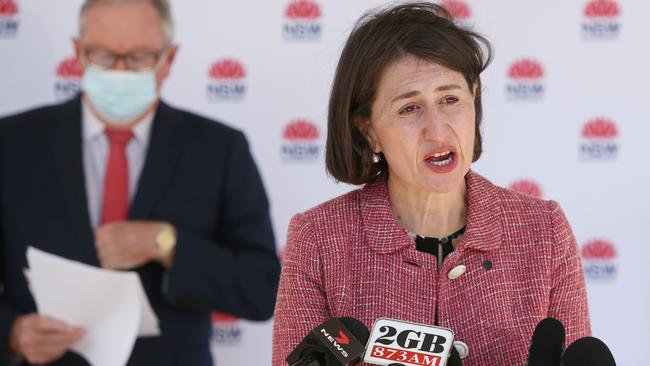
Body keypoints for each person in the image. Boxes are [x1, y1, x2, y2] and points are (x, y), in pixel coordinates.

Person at [272, 3, 590, 365]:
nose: (437, 131)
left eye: (450, 99)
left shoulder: (543, 229)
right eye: (409, 108)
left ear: (474, 100)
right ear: (368, 130)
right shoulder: (318, 238)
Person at [0, 0, 280, 365]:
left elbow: (262, 289)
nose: (119, 71)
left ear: (170, 58)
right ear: (77, 52)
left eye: (138, 58)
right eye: (102, 55)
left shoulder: (220, 149)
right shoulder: (12, 144)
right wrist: (12, 331)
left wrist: (166, 244)